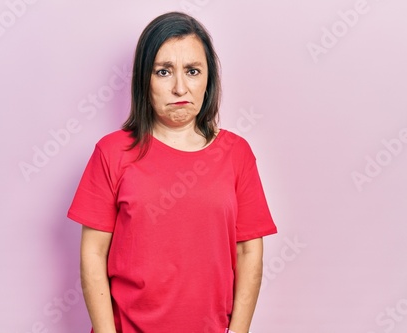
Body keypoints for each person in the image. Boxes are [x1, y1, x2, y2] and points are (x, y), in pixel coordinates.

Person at [67, 11, 277, 333]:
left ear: (208, 79)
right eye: (164, 71)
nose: (180, 87)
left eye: (192, 71)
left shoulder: (237, 154)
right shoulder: (112, 153)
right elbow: (93, 254)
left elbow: (249, 250)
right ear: (144, 79)